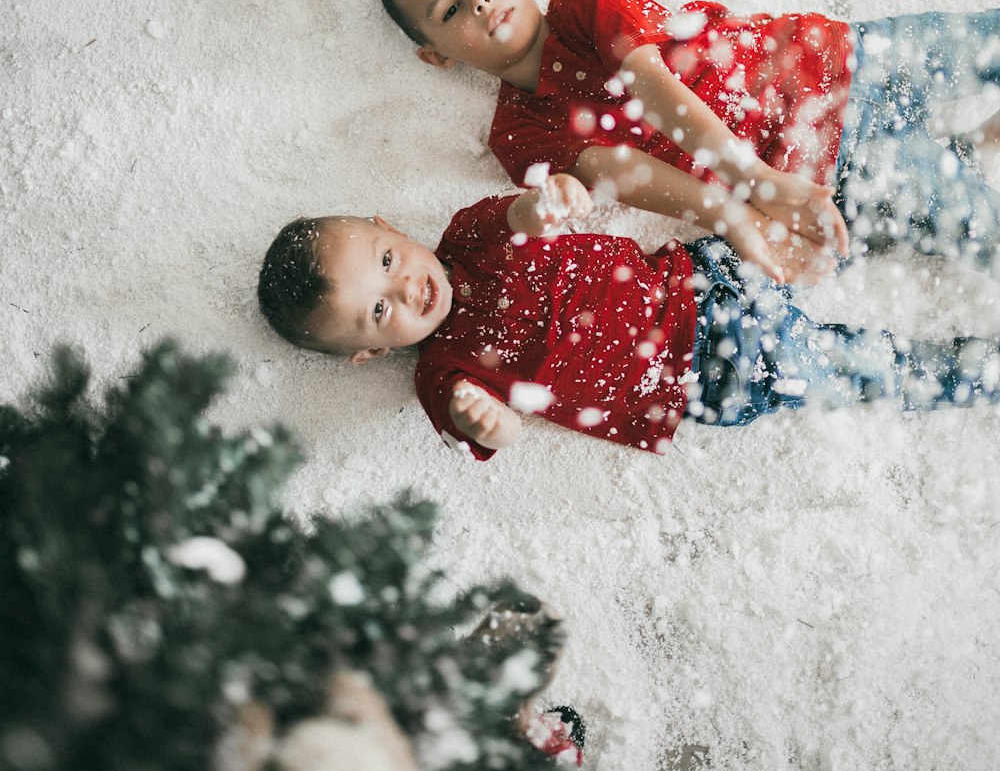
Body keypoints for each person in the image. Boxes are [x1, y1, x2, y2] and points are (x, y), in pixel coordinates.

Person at [376, 0, 1000, 285]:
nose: (480, 0)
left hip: (830, 65)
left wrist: (754, 181)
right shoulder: (518, 133)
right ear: (437, 55)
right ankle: (961, 149)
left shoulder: (582, 2)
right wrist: (741, 218)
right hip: (826, 176)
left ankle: (965, 140)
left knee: (983, 44)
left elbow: (655, 87)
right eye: (451, 9)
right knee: (978, 226)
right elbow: (623, 174)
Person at [257, 177, 1000, 463]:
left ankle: (956, 216)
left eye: (388, 259)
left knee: (827, 224)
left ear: (393, 224)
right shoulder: (443, 372)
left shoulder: (466, 237)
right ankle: (975, 371)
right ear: (365, 353)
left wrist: (543, 206)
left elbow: (519, 212)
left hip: (695, 274)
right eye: (378, 310)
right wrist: (483, 419)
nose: (406, 288)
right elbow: (492, 428)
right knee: (853, 365)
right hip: (701, 371)